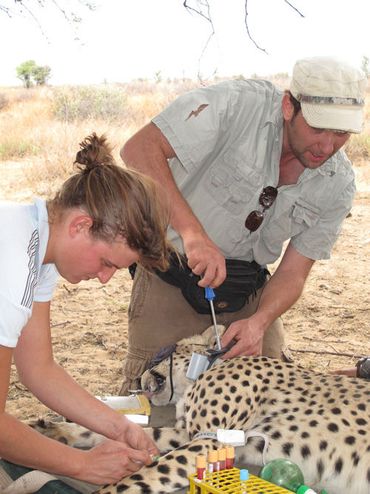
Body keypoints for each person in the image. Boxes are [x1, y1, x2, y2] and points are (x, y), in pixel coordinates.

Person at [118, 56, 367, 395]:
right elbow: (139, 150)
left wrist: (259, 323)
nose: (327, 147)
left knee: (276, 404)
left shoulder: (337, 183)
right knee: (156, 408)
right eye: (318, 128)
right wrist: (193, 234)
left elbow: (294, 273)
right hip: (170, 275)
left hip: (249, 293)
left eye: (340, 133)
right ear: (288, 107)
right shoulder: (237, 106)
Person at [0, 133, 172, 485]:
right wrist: (82, 465)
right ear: (81, 225)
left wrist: (118, 426)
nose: (106, 278)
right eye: (107, 262)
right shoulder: (13, 264)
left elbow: (39, 368)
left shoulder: (37, 246)